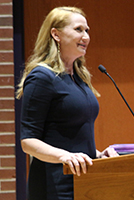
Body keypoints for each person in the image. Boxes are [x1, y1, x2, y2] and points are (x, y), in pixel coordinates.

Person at [16, 6, 119, 200]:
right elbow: (28, 142)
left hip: (83, 181)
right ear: (56, 34)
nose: (86, 36)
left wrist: (96, 154)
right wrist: (64, 156)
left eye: (87, 31)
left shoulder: (78, 78)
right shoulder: (42, 77)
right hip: (54, 186)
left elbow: (69, 135)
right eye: (78, 29)